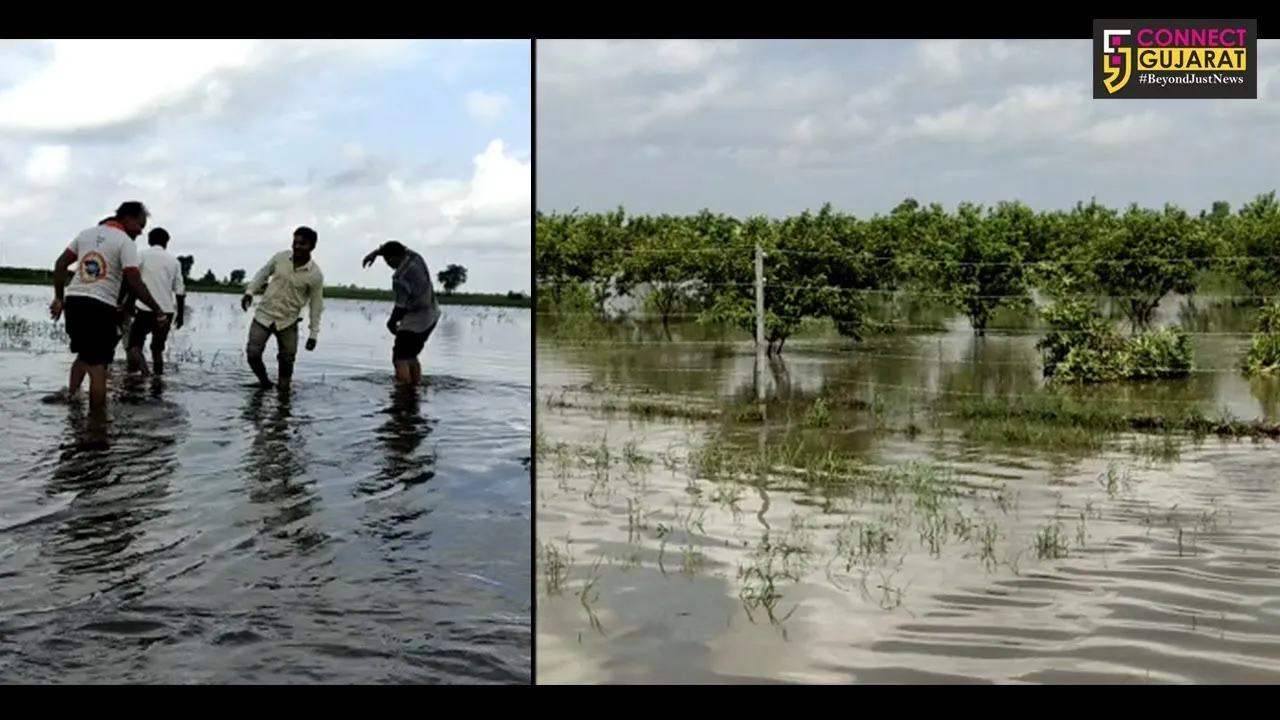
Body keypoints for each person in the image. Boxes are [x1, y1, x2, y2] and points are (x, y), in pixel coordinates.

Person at [50, 202, 169, 411]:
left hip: (75, 301)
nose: (141, 232)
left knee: (84, 355)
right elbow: (133, 280)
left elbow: (60, 264)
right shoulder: (125, 241)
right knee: (99, 367)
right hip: (100, 306)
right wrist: (157, 308)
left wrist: (59, 298)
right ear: (129, 218)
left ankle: (72, 400)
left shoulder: (85, 234)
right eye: (140, 225)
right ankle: (97, 425)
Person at [241, 226, 324, 390]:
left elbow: (316, 305)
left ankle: (284, 391)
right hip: (264, 315)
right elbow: (263, 274)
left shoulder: (315, 274)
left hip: (288, 321)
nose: (297, 247)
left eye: (303, 244)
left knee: (287, 361)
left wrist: (313, 334)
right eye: (295, 242)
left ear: (312, 247)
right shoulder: (280, 258)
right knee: (253, 354)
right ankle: (264, 382)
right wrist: (250, 292)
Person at [361, 241, 441, 386]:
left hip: (416, 319)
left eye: (388, 259)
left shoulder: (400, 277)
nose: (388, 263)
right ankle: (415, 386)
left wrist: (391, 323)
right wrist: (376, 253)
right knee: (410, 355)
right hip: (432, 315)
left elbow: (400, 307)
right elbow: (402, 249)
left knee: (400, 357)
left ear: (395, 257)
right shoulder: (417, 259)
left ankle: (403, 391)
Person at [123, 227, 185, 376]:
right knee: (157, 349)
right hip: (167, 311)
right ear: (166, 242)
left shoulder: (142, 255)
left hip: (145, 308)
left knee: (134, 345)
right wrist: (180, 315)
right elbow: (180, 291)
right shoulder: (174, 261)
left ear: (150, 240)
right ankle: (158, 379)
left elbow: (132, 280)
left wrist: (129, 303)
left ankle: (145, 374)